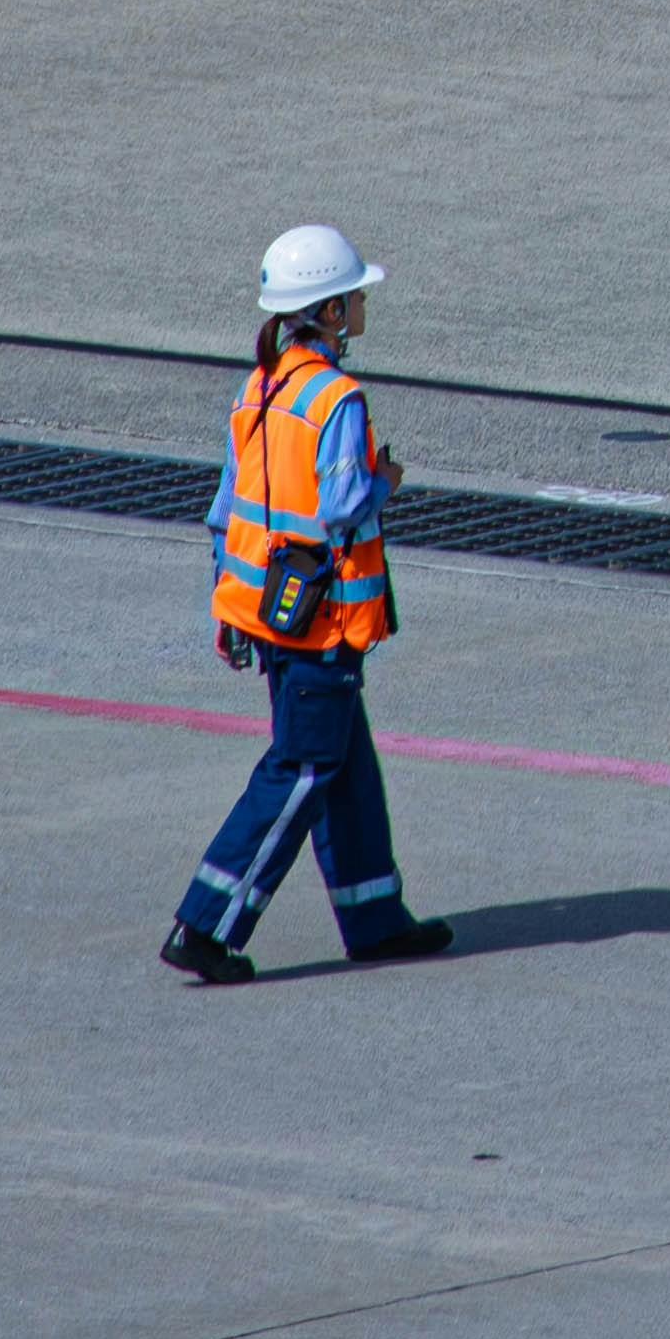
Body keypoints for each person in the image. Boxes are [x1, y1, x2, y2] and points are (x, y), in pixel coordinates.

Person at [161, 223, 457, 984]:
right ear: (327, 313)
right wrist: (388, 480)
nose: (361, 305)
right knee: (299, 770)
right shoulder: (337, 397)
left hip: (269, 610)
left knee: (346, 769)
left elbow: (230, 508)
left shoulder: (259, 388)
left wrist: (224, 604)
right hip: (322, 621)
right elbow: (344, 509)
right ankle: (206, 922)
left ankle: (375, 918)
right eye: (354, 296)